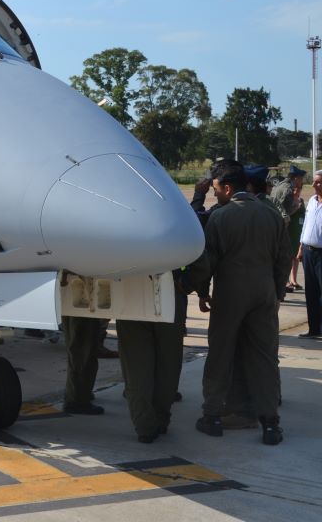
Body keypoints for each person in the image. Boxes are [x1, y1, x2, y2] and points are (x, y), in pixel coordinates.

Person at [190, 163, 287, 445]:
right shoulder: (272, 215)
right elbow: (283, 259)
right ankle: (270, 423)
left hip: (231, 292)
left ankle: (212, 416)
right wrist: (277, 294)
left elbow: (207, 261)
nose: (215, 193)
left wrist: (201, 291)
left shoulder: (221, 217)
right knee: (264, 356)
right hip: (265, 292)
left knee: (221, 353)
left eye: (217, 188)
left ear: (228, 188)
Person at [116, 269, 186, 442]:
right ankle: (160, 419)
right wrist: (188, 284)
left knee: (135, 365)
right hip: (170, 290)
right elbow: (202, 256)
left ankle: (144, 426)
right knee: (168, 362)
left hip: (129, 293)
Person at [295, 170, 322, 340]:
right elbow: (306, 226)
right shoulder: (312, 201)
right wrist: (300, 248)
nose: (313, 185)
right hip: (307, 251)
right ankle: (313, 329)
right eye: (313, 181)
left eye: (318, 182)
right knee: (311, 293)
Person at [62, 313, 105, 414]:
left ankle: (76, 392)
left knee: (76, 342)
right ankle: (77, 398)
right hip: (83, 303)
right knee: (84, 346)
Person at [274, 165, 307, 290]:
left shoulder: (280, 186)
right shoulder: (288, 189)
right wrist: (296, 207)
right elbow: (285, 213)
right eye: (301, 179)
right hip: (283, 227)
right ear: (296, 178)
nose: (302, 182)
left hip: (275, 225)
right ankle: (283, 283)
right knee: (285, 257)